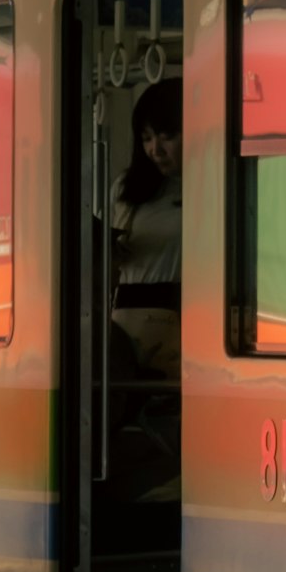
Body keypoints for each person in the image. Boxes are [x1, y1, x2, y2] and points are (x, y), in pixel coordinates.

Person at [110, 79, 184, 378]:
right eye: (147, 138)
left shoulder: (210, 187)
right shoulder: (126, 189)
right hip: (125, 317)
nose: (156, 150)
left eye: (167, 136)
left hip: (179, 315)